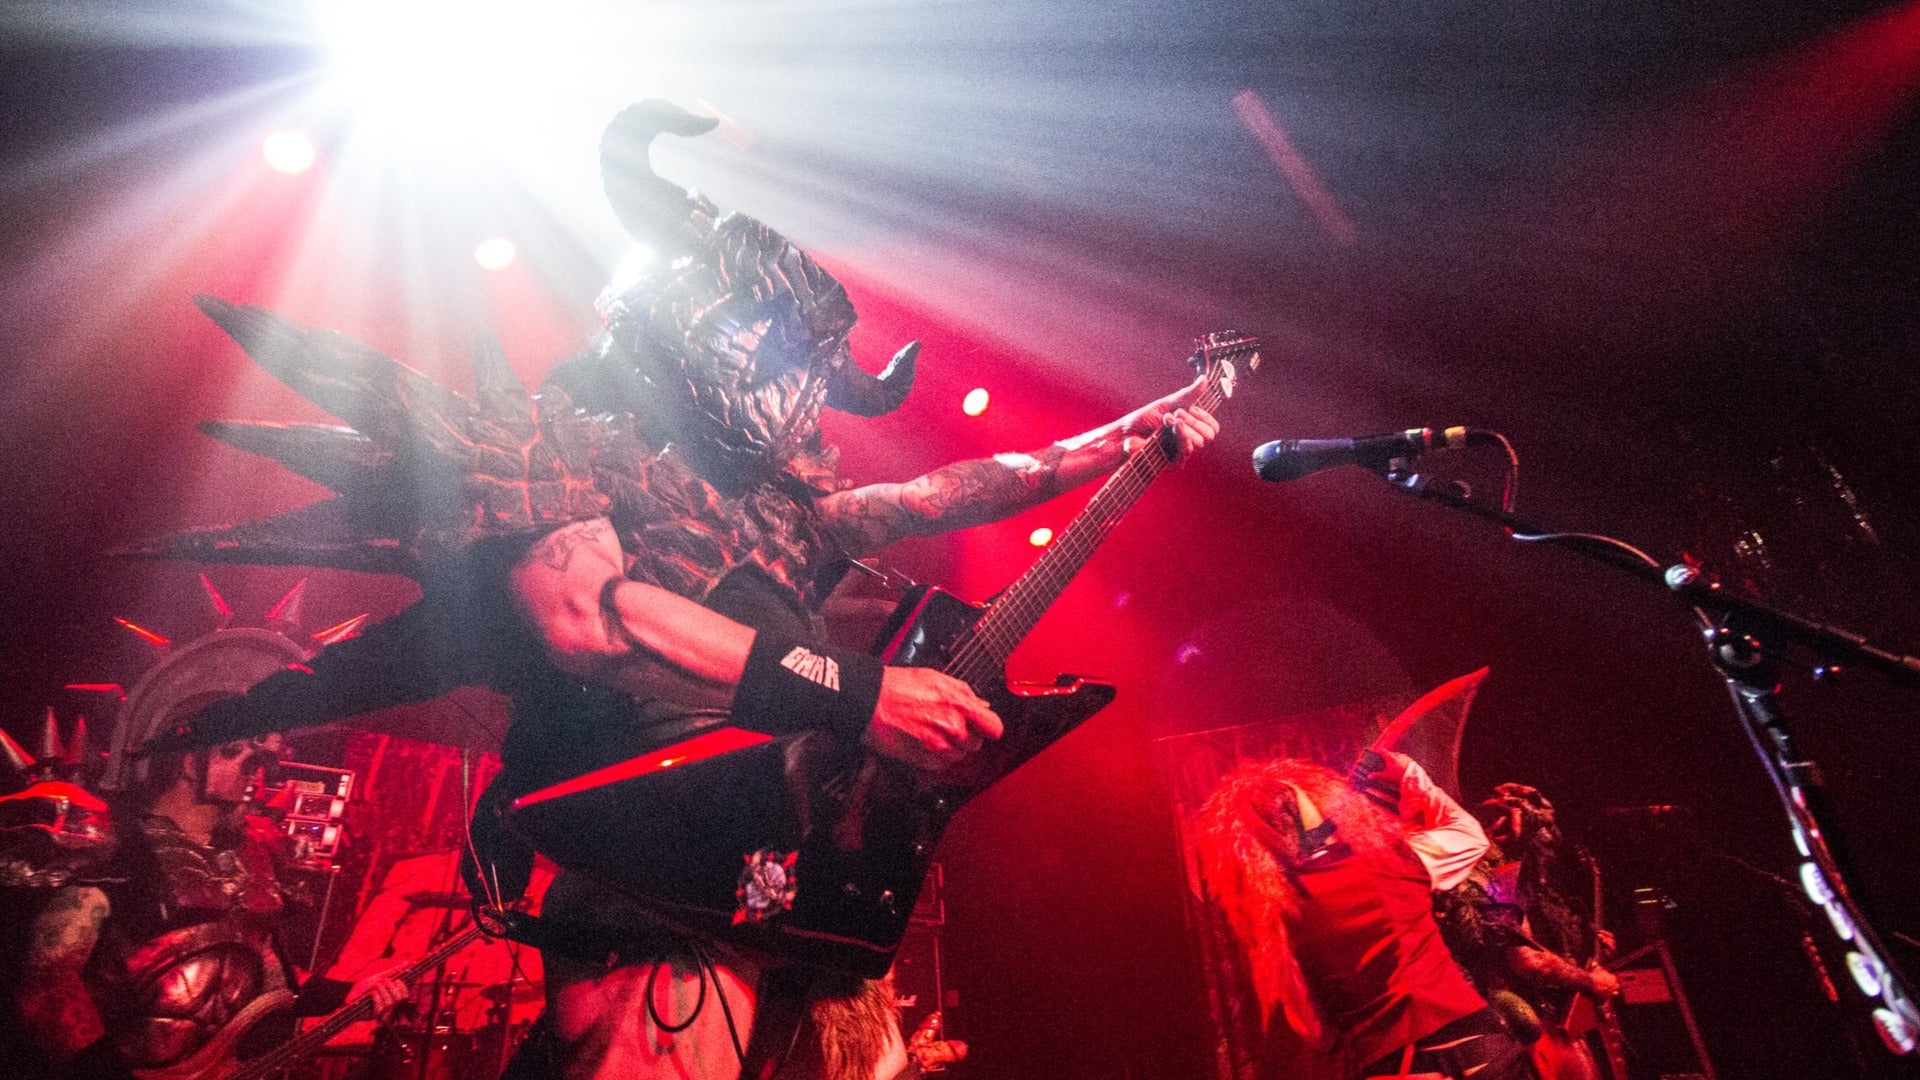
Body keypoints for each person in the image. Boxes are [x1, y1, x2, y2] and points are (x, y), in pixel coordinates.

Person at [128, 100, 1221, 1079]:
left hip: (762, 908)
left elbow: (937, 493)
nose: (802, 390)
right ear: (703, 324)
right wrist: (860, 695)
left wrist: (1118, 445)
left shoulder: (780, 511)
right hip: (638, 909)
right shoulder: (568, 455)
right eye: (784, 347)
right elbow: (597, 616)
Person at [5, 729, 410, 1079]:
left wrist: (350, 992)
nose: (257, 772)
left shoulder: (251, 858)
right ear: (188, 761)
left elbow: (270, 981)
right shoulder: (119, 846)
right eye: (237, 754)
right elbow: (48, 987)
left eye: (264, 759)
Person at [1194, 749, 1536, 1080]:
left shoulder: (1276, 921)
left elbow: (1315, 1031)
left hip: (1395, 1066)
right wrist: (1407, 772)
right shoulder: (1394, 854)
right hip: (1476, 1039)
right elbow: (1469, 837)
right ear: (1313, 805)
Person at [1435, 784, 1620, 1080]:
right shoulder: (1483, 870)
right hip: (1507, 1032)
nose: (1546, 845)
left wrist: (1583, 941)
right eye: (1541, 834)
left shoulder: (1478, 864)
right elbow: (1528, 961)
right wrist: (1590, 982)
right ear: (1501, 829)